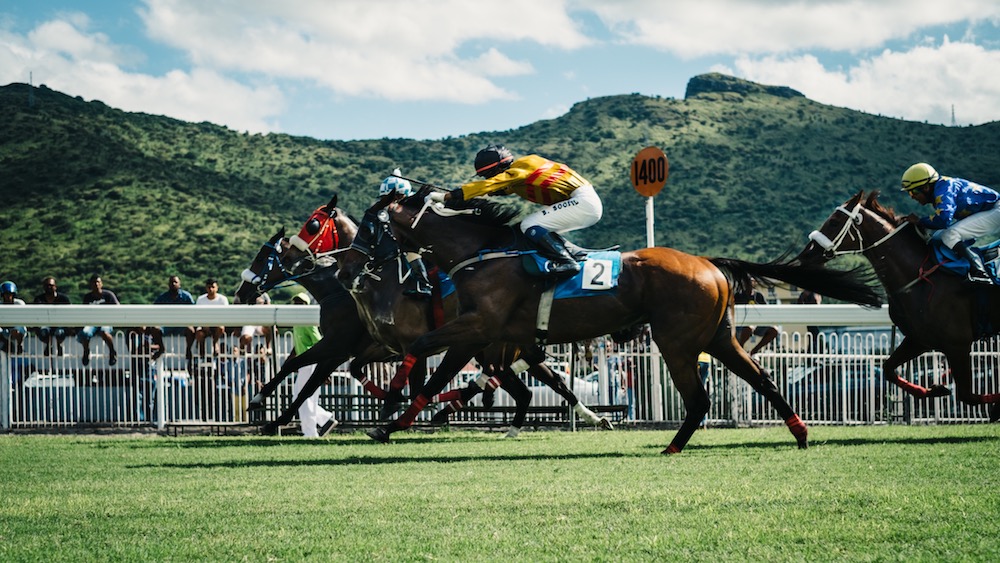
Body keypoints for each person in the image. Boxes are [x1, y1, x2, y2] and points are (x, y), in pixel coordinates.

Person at [430, 145, 603, 276]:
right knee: (539, 226)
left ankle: (567, 262)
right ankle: (572, 252)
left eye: (488, 174)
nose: (489, 178)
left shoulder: (524, 164)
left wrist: (448, 196)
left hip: (582, 201)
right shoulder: (519, 176)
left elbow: (492, 184)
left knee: (529, 225)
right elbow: (501, 188)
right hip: (581, 202)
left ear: (498, 168)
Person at [902, 162, 1000, 284]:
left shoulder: (943, 189)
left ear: (926, 188)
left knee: (949, 234)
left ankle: (979, 271)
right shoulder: (940, 188)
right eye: (909, 193)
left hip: (996, 210)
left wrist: (920, 221)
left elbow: (943, 220)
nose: (912, 196)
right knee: (937, 237)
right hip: (990, 210)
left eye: (913, 192)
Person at [289, 292, 337, 437]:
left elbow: (319, 343)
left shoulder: (307, 321)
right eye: (295, 302)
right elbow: (298, 345)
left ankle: (310, 432)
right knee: (299, 397)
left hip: (311, 362)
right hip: (306, 363)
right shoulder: (297, 321)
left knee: (304, 398)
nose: (297, 304)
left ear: (306, 305)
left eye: (300, 302)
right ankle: (325, 419)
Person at [380, 169, 431, 298]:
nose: (387, 202)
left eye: (389, 198)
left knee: (409, 252)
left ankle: (424, 284)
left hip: (426, 242)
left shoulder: (413, 206)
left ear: (400, 196)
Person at [150, 275, 196, 360]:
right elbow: (154, 309)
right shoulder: (163, 297)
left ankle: (188, 349)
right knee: (155, 329)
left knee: (190, 330)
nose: (173, 284)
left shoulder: (186, 296)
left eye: (175, 282)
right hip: (166, 325)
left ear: (180, 284)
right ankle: (161, 348)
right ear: (168, 284)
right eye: (171, 282)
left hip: (182, 324)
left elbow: (193, 310)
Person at [77, 274, 119, 366]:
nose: (96, 284)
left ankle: (112, 352)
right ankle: (86, 352)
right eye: (94, 282)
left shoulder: (108, 295)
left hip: (106, 321)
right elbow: (84, 312)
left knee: (104, 332)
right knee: (85, 332)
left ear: (101, 284)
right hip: (92, 322)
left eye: (98, 282)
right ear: (90, 285)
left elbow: (117, 308)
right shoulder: (87, 297)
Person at [735, 278, 778, 357]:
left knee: (774, 330)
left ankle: (754, 351)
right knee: (749, 327)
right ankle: (739, 349)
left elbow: (766, 311)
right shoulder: (738, 295)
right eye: (747, 281)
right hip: (741, 325)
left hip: (756, 324)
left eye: (751, 281)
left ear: (755, 283)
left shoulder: (759, 295)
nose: (749, 283)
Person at [30, 276, 72, 356]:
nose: (49, 287)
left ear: (55, 287)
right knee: (43, 332)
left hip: (60, 324)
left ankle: (58, 345)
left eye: (51, 285)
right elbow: (35, 314)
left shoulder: (64, 299)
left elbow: (69, 313)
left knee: (60, 333)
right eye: (46, 285)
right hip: (45, 324)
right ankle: (49, 345)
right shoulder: (39, 299)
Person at [194, 278, 228, 360]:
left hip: (217, 325)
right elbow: (198, 315)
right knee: (199, 334)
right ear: (206, 288)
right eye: (209, 287)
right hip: (204, 325)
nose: (211, 289)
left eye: (213, 287)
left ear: (217, 288)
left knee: (220, 328)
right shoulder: (201, 299)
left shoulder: (223, 299)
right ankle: (201, 350)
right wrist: (204, 324)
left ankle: (215, 343)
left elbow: (225, 315)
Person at [238, 292, 273, 357]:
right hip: (249, 322)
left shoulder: (264, 294)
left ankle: (268, 347)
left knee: (269, 327)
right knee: (245, 338)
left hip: (261, 322)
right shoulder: (246, 292)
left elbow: (269, 307)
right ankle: (242, 347)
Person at [0, 281, 27, 354]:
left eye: (10, 294)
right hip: (4, 328)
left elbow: (23, 317)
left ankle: (19, 345)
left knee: (16, 330)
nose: (8, 296)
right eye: (6, 294)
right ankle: (7, 344)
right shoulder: (1, 305)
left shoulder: (19, 303)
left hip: (17, 327)